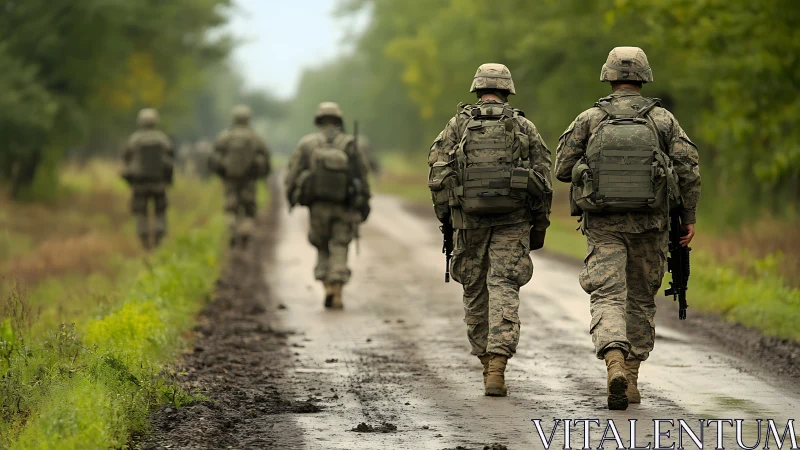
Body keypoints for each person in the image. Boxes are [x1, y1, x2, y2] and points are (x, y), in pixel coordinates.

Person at [554, 47, 701, 410]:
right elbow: (688, 170)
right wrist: (688, 218)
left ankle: (614, 362)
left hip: (603, 225)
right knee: (639, 298)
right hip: (651, 225)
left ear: (608, 76)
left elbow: (561, 167)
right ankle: (632, 378)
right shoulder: (663, 121)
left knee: (607, 296)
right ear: (643, 77)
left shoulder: (591, 118)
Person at [427, 64, 552, 397]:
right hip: (513, 221)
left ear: (477, 89)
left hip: (469, 222)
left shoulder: (458, 125)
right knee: (504, 287)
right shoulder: (523, 126)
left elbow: (438, 174)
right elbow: (543, 181)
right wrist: (537, 227)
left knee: (475, 289)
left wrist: (447, 219)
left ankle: (485, 363)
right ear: (508, 90)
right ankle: (498, 366)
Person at [285, 102, 371, 309]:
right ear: (339, 120)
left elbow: (293, 173)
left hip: (317, 207)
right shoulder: (350, 143)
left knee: (322, 245)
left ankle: (327, 286)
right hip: (344, 205)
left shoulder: (307, 144)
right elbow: (363, 175)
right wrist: (364, 203)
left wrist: (291, 197)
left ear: (319, 120)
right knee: (340, 244)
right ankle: (338, 289)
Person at [210, 105, 271, 248]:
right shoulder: (255, 137)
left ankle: (232, 228)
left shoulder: (225, 136)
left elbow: (214, 157)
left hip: (230, 178)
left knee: (231, 206)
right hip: (250, 179)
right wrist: (262, 175)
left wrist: (221, 172)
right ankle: (245, 231)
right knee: (249, 207)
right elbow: (266, 157)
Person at [121, 108, 174, 249]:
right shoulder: (162, 138)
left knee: (140, 213)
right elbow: (171, 158)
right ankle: (158, 238)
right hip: (159, 183)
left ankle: (144, 241)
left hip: (140, 184)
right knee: (160, 211)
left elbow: (126, 157)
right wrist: (169, 180)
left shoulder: (135, 139)